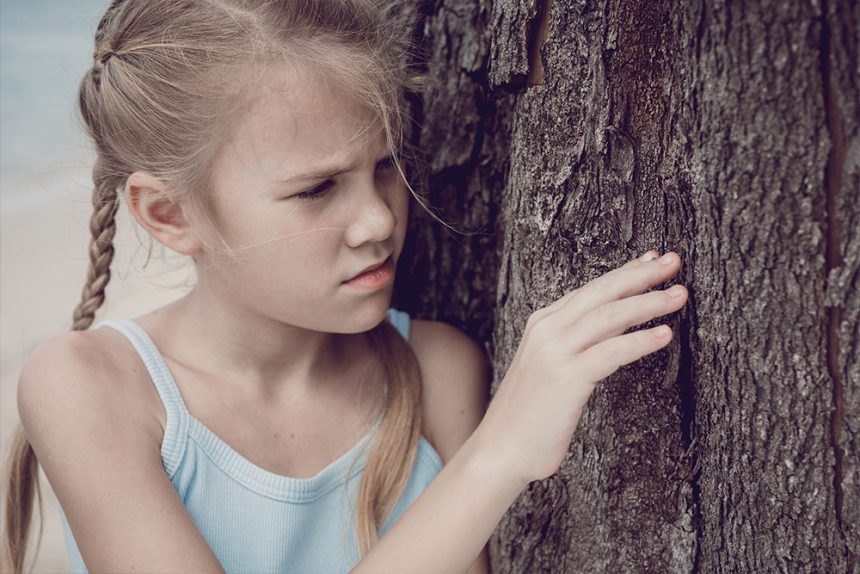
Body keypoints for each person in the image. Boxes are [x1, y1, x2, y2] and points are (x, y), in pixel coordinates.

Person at [2, 1, 689, 573]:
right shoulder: (90, 385)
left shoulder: (439, 371)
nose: (379, 219)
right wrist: (499, 455)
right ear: (170, 214)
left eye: (386, 166)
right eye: (317, 188)